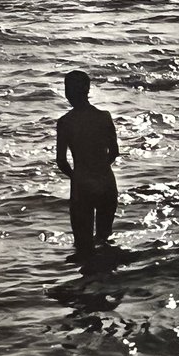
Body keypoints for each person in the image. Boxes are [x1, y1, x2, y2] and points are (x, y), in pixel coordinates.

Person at [55, 70, 119, 256]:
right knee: (104, 240)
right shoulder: (104, 117)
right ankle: (107, 281)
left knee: (83, 246)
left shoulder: (65, 122)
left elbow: (61, 161)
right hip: (106, 181)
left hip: (82, 185)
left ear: (68, 93)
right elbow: (114, 152)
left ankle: (88, 280)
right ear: (87, 90)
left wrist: (77, 176)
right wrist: (100, 167)